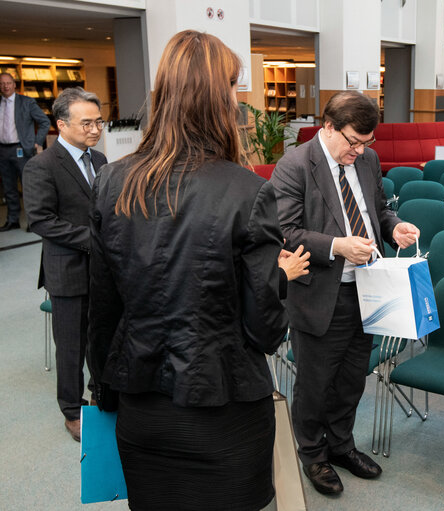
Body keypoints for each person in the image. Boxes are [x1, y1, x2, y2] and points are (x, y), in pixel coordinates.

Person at [87, 30, 288, 510]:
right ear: (220, 99)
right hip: (226, 408)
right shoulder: (246, 189)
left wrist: (102, 389)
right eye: (236, 87)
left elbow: (102, 308)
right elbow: (265, 331)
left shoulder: (111, 181)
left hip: (141, 403)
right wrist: (280, 278)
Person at [270, 91, 420, 496]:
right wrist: (337, 246)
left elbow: (379, 209)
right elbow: (284, 231)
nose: (359, 151)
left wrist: (394, 227)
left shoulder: (367, 160)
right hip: (321, 293)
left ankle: (340, 445)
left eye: (367, 143)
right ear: (329, 126)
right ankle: (313, 455)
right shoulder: (295, 165)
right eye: (353, 141)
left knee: (353, 378)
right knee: (316, 383)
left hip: (369, 289)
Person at [23, 87, 106, 442]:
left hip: (103, 270)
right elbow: (41, 220)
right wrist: (93, 240)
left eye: (99, 122)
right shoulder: (41, 165)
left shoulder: (100, 161)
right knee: (71, 346)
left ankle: (100, 394)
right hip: (67, 270)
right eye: (86, 123)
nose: (95, 129)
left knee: (102, 338)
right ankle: (73, 411)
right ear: (61, 124)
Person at [0, 72, 50, 231]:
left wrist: (36, 142)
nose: (5, 86)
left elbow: (44, 122)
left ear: (14, 84)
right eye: (2, 83)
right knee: (9, 188)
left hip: (22, 150)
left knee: (28, 187)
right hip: (2, 150)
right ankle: (12, 220)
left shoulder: (27, 102)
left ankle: (32, 222)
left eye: (8, 83)